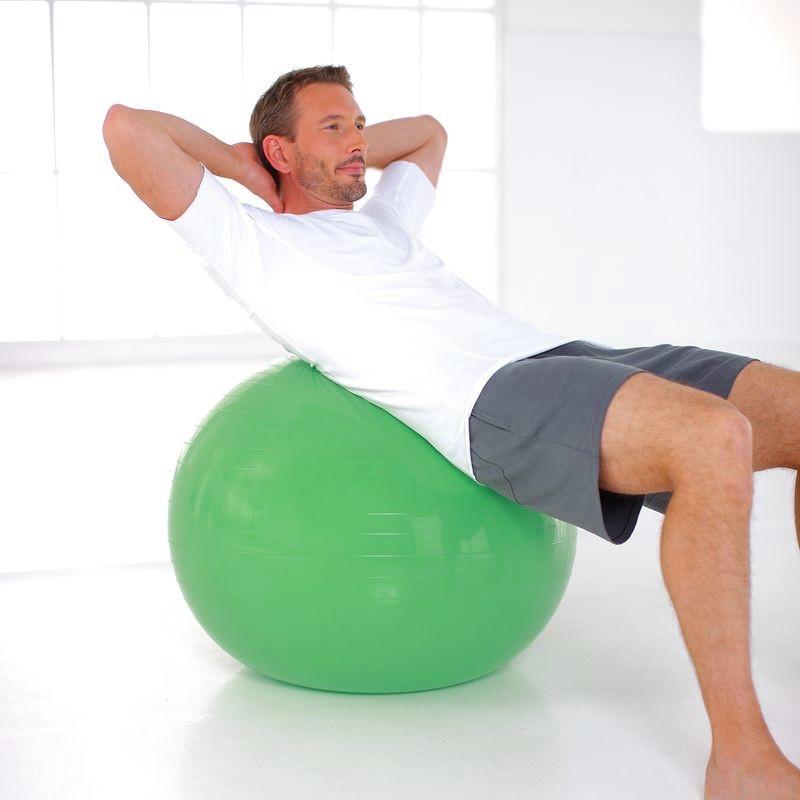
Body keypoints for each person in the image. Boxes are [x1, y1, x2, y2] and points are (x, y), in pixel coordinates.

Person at [102, 64, 800, 799]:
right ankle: (742, 759)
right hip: (489, 399)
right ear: (279, 151)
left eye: (361, 125)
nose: (358, 142)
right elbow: (126, 128)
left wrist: (343, 146)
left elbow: (431, 132)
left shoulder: (381, 221)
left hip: (561, 356)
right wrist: (240, 163)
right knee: (712, 435)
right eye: (333, 128)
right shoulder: (250, 243)